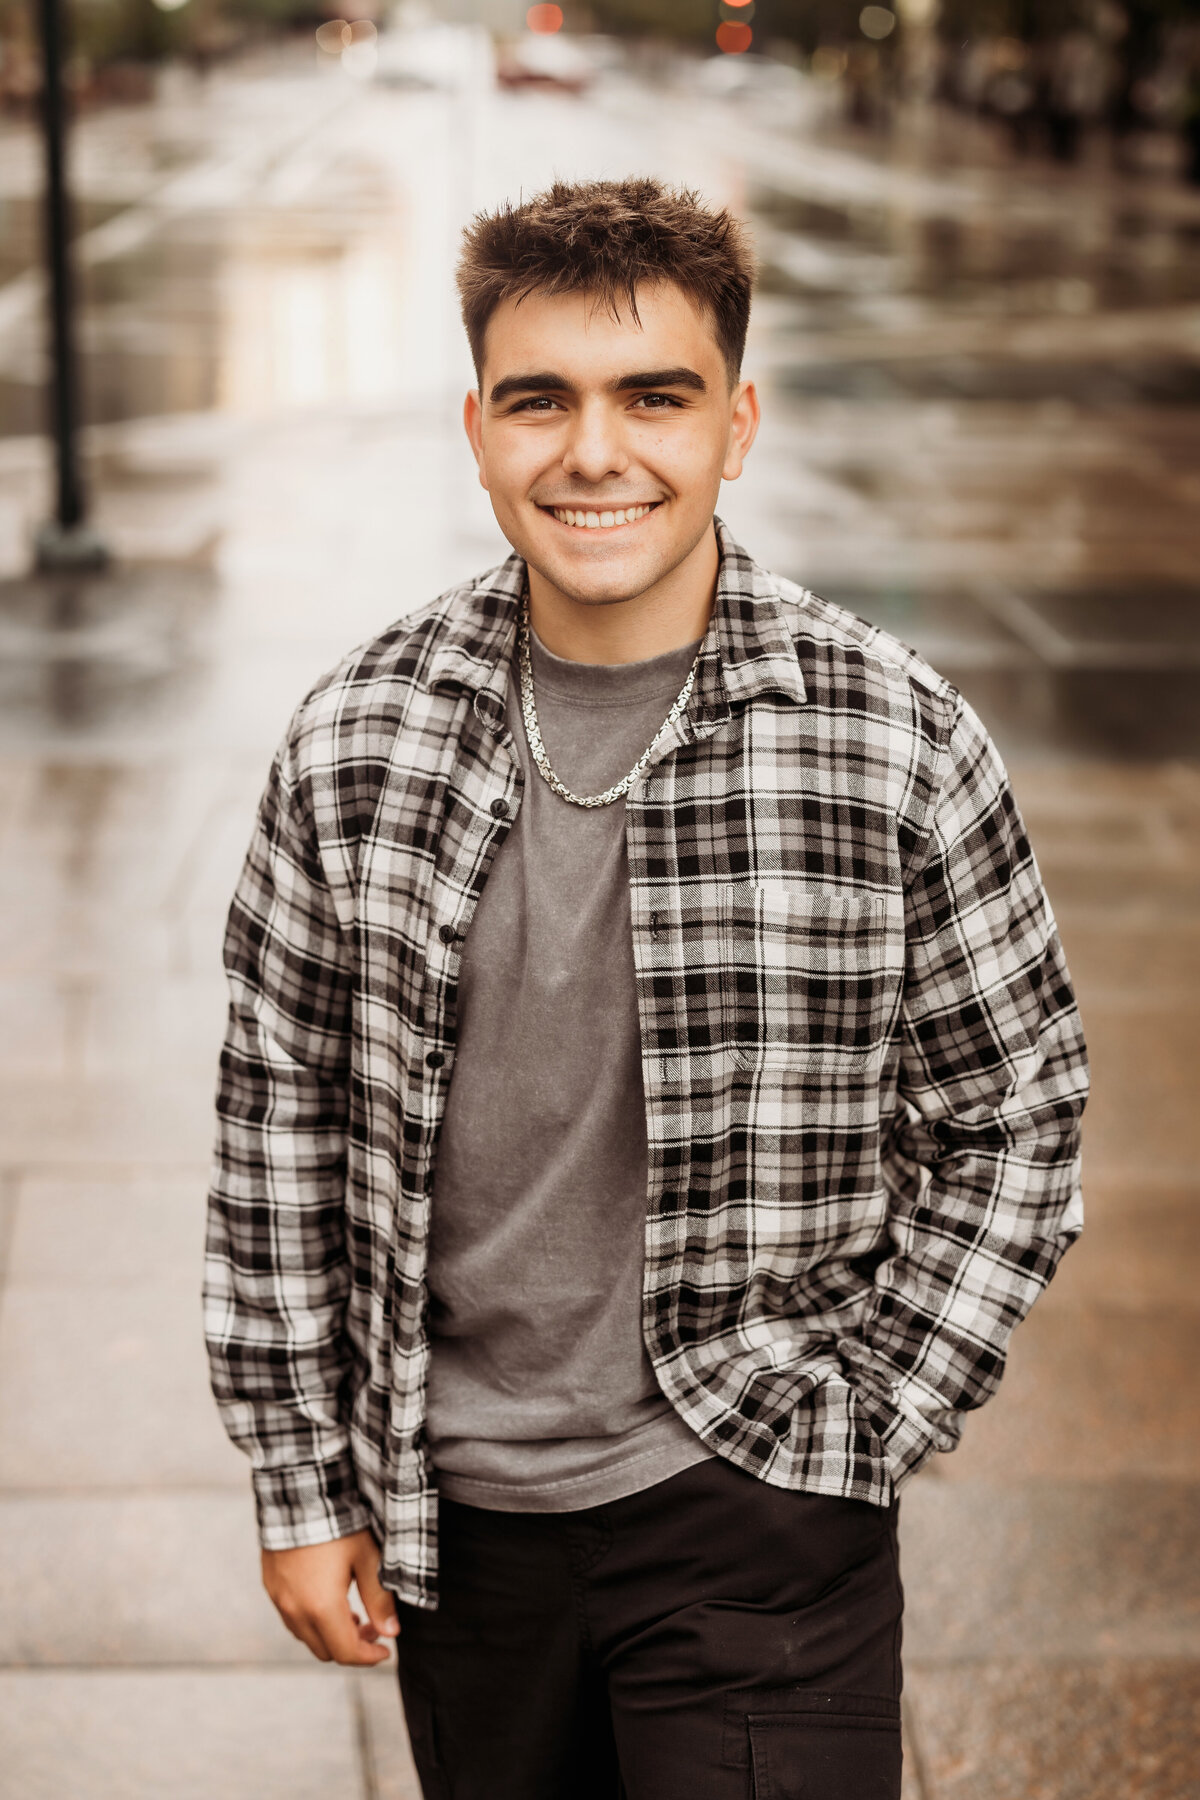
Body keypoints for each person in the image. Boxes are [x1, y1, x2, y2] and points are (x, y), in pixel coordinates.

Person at [204, 177, 1088, 1799]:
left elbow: (1017, 1117)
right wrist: (300, 1478)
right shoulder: (357, 741)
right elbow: (278, 1143)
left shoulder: (891, 739)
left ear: (735, 423)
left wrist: (869, 1420)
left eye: (654, 397)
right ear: (477, 429)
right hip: (456, 1526)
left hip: (762, 1512)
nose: (594, 453)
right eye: (540, 400)